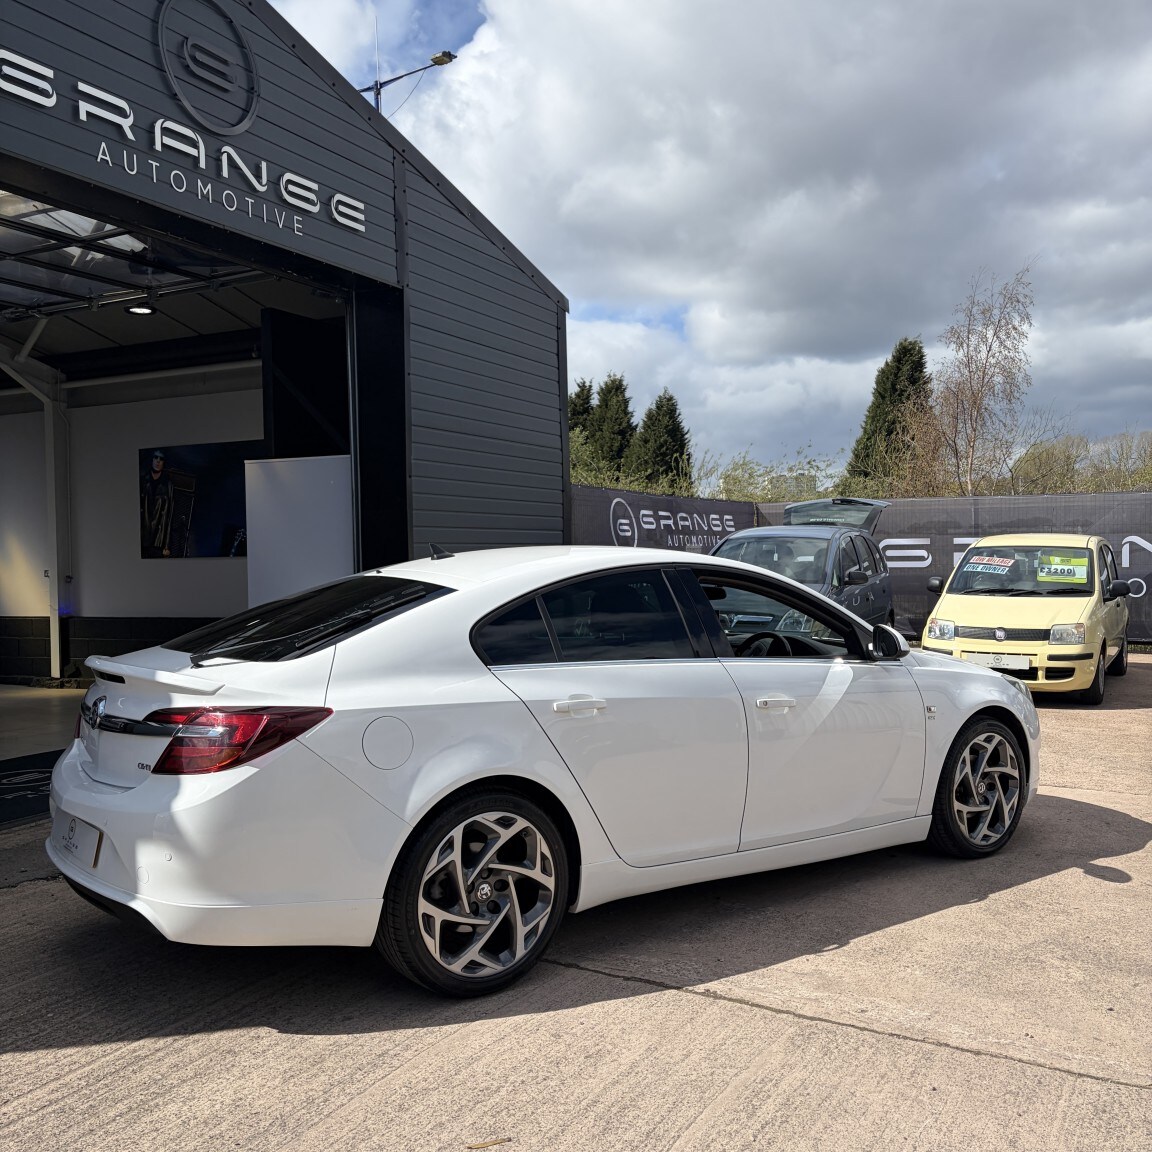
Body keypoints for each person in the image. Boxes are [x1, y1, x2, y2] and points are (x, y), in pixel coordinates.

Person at [141, 449, 174, 557]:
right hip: (142, 536)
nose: (158, 461)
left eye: (161, 459)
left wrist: (166, 545)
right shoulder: (143, 480)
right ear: (151, 459)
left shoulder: (167, 484)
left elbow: (169, 516)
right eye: (156, 457)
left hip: (158, 539)